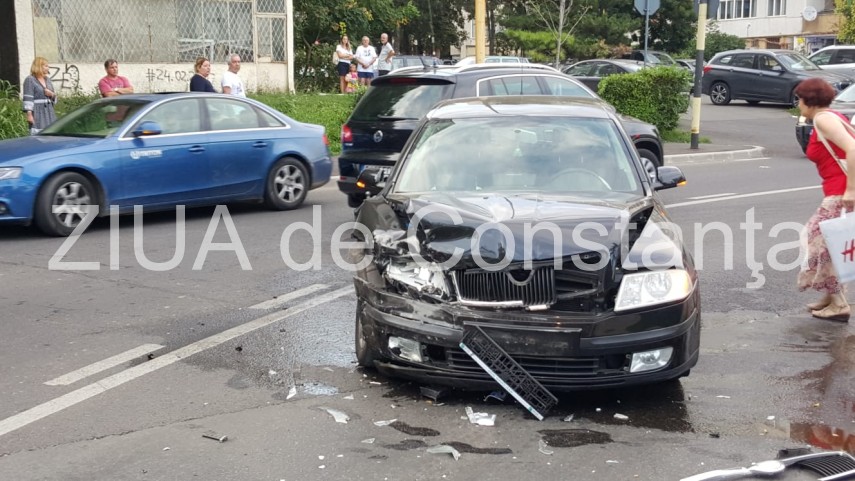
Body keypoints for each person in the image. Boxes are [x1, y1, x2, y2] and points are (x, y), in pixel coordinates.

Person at [795, 77, 855, 322]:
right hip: (837, 190)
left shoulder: (823, 119)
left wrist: (850, 190)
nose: (798, 105)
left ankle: (839, 302)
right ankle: (831, 296)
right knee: (829, 244)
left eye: (799, 99)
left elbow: (852, 148)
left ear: (809, 101)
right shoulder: (832, 116)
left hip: (841, 192)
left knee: (821, 243)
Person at [22, 56, 56, 135]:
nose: (48, 68)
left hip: (49, 110)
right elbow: (28, 98)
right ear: (39, 66)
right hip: (38, 111)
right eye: (46, 66)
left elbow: (54, 96)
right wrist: (29, 115)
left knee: (51, 133)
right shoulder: (30, 79)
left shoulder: (48, 80)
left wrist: (51, 94)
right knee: (39, 134)